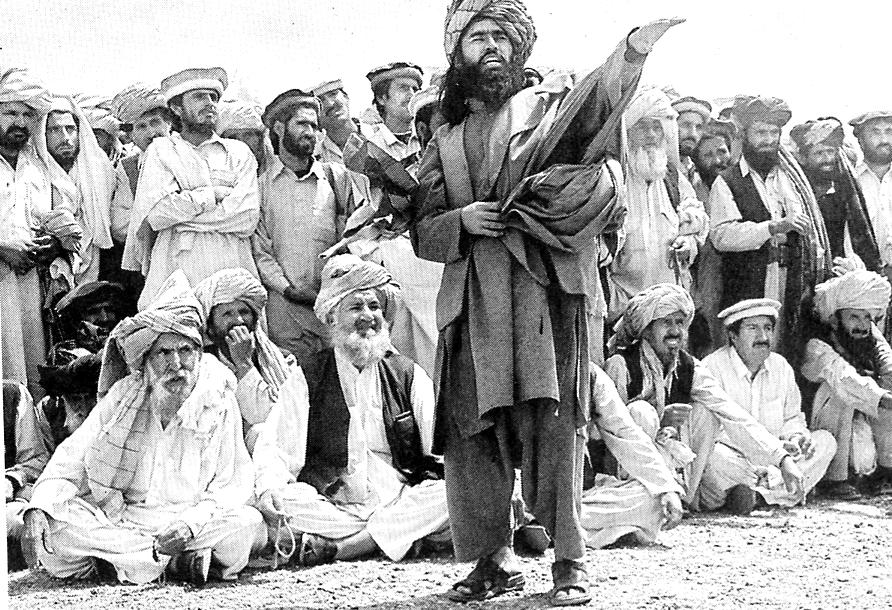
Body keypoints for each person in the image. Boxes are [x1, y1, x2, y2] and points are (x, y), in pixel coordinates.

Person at [413, 1, 682, 603]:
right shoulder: (444, 139)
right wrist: (462, 220)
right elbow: (423, 231)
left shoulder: (548, 109)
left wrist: (633, 50)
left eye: (500, 36)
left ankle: (569, 561)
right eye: (477, 37)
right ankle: (491, 560)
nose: (490, 46)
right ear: (457, 54)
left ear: (519, 48)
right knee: (472, 436)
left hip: (545, 298)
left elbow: (598, 102)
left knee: (556, 428)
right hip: (473, 305)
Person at [21, 271, 266, 585]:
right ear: (147, 359)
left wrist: (189, 525)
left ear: (198, 354)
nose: (176, 364)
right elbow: (73, 455)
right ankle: (172, 564)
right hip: (125, 521)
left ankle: (128, 563)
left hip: (194, 521)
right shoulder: (126, 394)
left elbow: (232, 484)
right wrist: (40, 505)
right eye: (164, 352)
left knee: (246, 524)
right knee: (56, 529)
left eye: (185, 351)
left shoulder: (218, 397)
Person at [252, 255, 448, 565]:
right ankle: (401, 535)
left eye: (375, 307)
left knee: (449, 494)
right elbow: (277, 446)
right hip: (332, 503)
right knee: (283, 501)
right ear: (332, 317)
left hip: (401, 497)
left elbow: (440, 445)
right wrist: (269, 491)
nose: (368, 316)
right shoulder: (308, 376)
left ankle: (347, 546)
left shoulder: (407, 373)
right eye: (356, 307)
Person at [604, 284, 804, 514]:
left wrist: (782, 459)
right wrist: (660, 420)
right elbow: (606, 432)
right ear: (647, 330)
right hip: (627, 469)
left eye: (680, 323)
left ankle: (683, 499)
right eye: (666, 323)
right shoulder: (621, 365)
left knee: (708, 412)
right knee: (641, 411)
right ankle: (645, 498)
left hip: (673, 461)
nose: (675, 331)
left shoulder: (689, 367)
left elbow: (731, 412)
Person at [122, 67, 260, 310]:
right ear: (177, 108)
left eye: (213, 97)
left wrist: (182, 219)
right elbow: (157, 214)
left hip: (231, 262)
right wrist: (211, 195)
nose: (209, 103)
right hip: (176, 268)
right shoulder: (161, 150)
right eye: (199, 97)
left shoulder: (239, 152)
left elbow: (246, 217)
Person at [253, 89, 371, 365]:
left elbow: (358, 233)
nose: (311, 132)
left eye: (315, 126)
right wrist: (289, 290)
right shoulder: (261, 187)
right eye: (302, 124)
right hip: (285, 315)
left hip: (333, 311)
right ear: (279, 128)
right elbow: (260, 250)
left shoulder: (336, 177)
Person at [709, 95, 830, 361]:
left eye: (774, 133)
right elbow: (721, 236)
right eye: (761, 133)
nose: (768, 140)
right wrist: (773, 227)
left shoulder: (791, 179)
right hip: (751, 280)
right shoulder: (727, 181)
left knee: (788, 346)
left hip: (790, 279)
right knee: (749, 350)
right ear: (745, 135)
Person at [702, 298, 836, 509]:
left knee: (826, 442)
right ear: (733, 336)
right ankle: (778, 491)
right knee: (713, 456)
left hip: (778, 459)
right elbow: (712, 431)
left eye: (767, 328)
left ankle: (759, 495)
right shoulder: (712, 367)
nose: (763, 337)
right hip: (737, 455)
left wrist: (796, 437)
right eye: (752, 328)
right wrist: (770, 450)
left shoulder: (781, 367)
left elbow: (792, 417)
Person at [1, 67, 82, 398]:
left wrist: (54, 244)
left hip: (29, 286)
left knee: (29, 367)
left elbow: (55, 220)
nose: (20, 122)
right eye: (11, 113)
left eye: (27, 115)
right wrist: (3, 250)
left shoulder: (37, 168)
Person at [607, 87, 708, 323]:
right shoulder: (613, 177)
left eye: (657, 127)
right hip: (622, 310)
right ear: (628, 130)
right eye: (643, 126)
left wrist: (689, 243)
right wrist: (617, 304)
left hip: (669, 308)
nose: (652, 135)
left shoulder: (671, 175)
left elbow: (700, 219)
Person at [801, 259, 892, 497]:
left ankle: (885, 473)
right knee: (843, 391)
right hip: (825, 427)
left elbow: (887, 361)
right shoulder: (816, 346)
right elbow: (845, 378)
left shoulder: (867, 338)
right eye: (854, 317)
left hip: (860, 425)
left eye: (867, 318)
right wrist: (884, 399)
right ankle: (834, 480)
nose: (862, 326)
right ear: (835, 319)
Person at [194, 267, 309, 452]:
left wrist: (244, 364)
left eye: (244, 312)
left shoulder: (283, 359)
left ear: (255, 320)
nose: (238, 320)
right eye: (227, 314)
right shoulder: (200, 364)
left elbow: (272, 420)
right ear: (211, 327)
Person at [580, 364, 684, 549]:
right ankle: (558, 525)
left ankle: (555, 525)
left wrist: (666, 488)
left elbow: (625, 432)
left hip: (572, 494)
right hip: (526, 488)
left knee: (654, 499)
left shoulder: (591, 374)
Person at [790, 117, 881, 269]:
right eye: (819, 153)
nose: (826, 159)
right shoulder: (794, 193)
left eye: (830, 152)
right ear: (803, 158)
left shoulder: (844, 193)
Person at [5, 381, 52, 569]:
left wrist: (11, 480)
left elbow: (37, 458)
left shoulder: (12, 395)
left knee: (23, 520)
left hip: (11, 497)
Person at [849, 111, 892, 282]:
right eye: (875, 132)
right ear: (860, 139)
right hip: (869, 277)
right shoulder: (851, 182)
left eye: (889, 131)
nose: (884, 140)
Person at [110, 84, 174, 196]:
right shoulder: (128, 168)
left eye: (155, 122)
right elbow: (123, 205)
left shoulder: (190, 152)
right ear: (131, 135)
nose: (151, 133)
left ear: (168, 123)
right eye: (141, 126)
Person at [361, 63, 423, 165]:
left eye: (415, 90)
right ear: (381, 98)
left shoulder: (428, 137)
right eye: (403, 88)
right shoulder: (371, 147)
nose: (412, 95)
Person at [51, 280, 128, 356]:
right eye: (93, 312)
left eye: (109, 310)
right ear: (77, 319)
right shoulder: (67, 355)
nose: (104, 318)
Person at [216, 100, 275, 175]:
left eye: (248, 135)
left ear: (260, 137)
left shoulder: (283, 171)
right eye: (232, 138)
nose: (241, 141)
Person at [311, 78, 361, 164]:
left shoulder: (381, 135)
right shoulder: (315, 161)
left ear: (346, 97)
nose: (329, 104)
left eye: (333, 94)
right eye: (319, 101)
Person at [671, 95, 711, 185]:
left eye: (698, 127)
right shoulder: (657, 167)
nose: (693, 134)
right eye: (686, 125)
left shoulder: (696, 170)